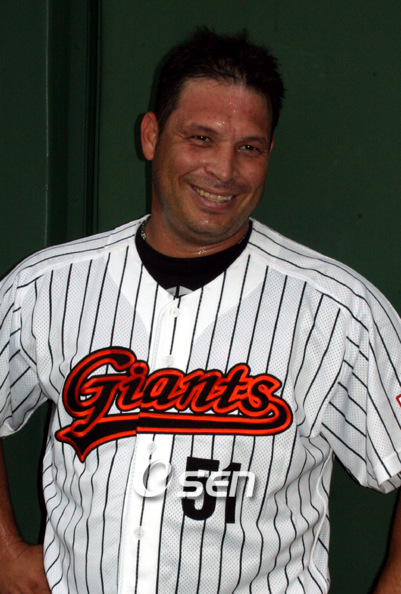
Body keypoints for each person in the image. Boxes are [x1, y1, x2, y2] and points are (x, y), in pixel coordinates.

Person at [0, 27, 401, 594]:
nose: (224, 170)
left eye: (249, 148)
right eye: (201, 138)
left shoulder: (339, 312)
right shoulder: (45, 287)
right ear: (151, 135)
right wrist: (5, 554)